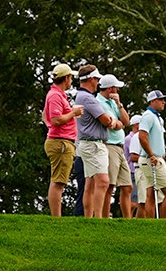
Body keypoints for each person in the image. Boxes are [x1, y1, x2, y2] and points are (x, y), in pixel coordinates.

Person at [75, 65, 120, 218]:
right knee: (102, 182)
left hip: (87, 144)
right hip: (94, 144)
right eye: (97, 80)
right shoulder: (88, 98)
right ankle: (98, 218)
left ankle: (89, 218)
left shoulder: (80, 96)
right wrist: (113, 121)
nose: (98, 83)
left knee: (90, 184)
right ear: (92, 79)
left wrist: (111, 121)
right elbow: (106, 120)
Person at [42, 63, 83, 216]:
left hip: (62, 141)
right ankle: (56, 218)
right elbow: (56, 119)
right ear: (66, 78)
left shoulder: (57, 95)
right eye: (71, 77)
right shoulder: (55, 96)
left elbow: (47, 116)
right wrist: (73, 113)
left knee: (59, 181)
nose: (71, 81)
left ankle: (56, 217)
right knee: (58, 182)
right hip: (60, 142)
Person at [137, 90, 166, 219]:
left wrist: (159, 153)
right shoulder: (148, 116)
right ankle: (164, 224)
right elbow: (142, 137)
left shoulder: (157, 117)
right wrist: (153, 155)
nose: (164, 102)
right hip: (151, 159)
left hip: (153, 158)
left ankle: (152, 223)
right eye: (161, 100)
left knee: (151, 193)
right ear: (153, 101)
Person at [97, 74, 132, 218]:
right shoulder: (98, 102)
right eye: (116, 87)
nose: (117, 90)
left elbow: (126, 122)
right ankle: (104, 219)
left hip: (119, 147)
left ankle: (127, 219)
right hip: (109, 145)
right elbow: (112, 125)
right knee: (109, 186)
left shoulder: (113, 102)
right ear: (110, 88)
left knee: (127, 186)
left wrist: (119, 104)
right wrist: (118, 124)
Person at [123, 115, 143, 218]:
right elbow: (135, 155)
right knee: (133, 202)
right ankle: (128, 220)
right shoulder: (130, 139)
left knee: (140, 201)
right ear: (137, 125)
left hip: (137, 171)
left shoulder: (136, 138)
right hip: (132, 171)